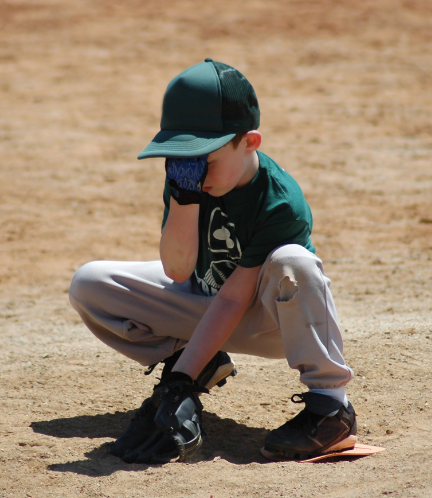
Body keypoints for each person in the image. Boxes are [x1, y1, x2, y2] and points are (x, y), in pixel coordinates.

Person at [69, 58, 356, 463]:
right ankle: (198, 360)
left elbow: (232, 299)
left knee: (295, 263)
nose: (195, 167)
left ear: (250, 143)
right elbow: (178, 270)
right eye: (185, 154)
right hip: (203, 303)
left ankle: (331, 408)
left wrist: (179, 384)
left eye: (207, 156)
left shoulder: (280, 202)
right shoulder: (187, 179)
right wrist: (184, 198)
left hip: (267, 322)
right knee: (90, 283)